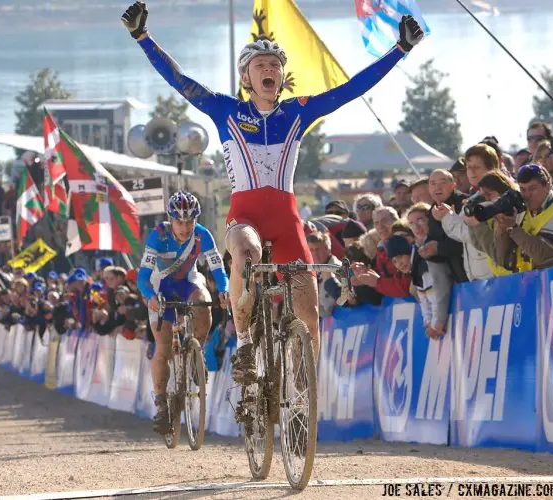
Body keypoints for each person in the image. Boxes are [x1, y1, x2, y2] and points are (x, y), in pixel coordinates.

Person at [122, 0, 424, 387]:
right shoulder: (225, 110)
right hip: (244, 215)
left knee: (308, 308)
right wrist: (142, 37)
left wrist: (399, 50)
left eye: (275, 65)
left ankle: (302, 393)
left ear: (282, 77)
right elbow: (179, 80)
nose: (269, 69)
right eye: (260, 65)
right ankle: (245, 343)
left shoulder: (299, 111)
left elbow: (351, 89)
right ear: (246, 78)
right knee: (245, 252)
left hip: (286, 220)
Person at [136, 191, 229, 434]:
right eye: (180, 221)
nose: (185, 227)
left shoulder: (202, 235)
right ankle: (161, 405)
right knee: (163, 348)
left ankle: (196, 353)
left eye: (190, 221)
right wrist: (150, 297)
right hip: (160, 287)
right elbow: (143, 277)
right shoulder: (158, 235)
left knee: (204, 301)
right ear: (171, 219)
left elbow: (218, 268)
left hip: (188, 281)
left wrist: (224, 290)